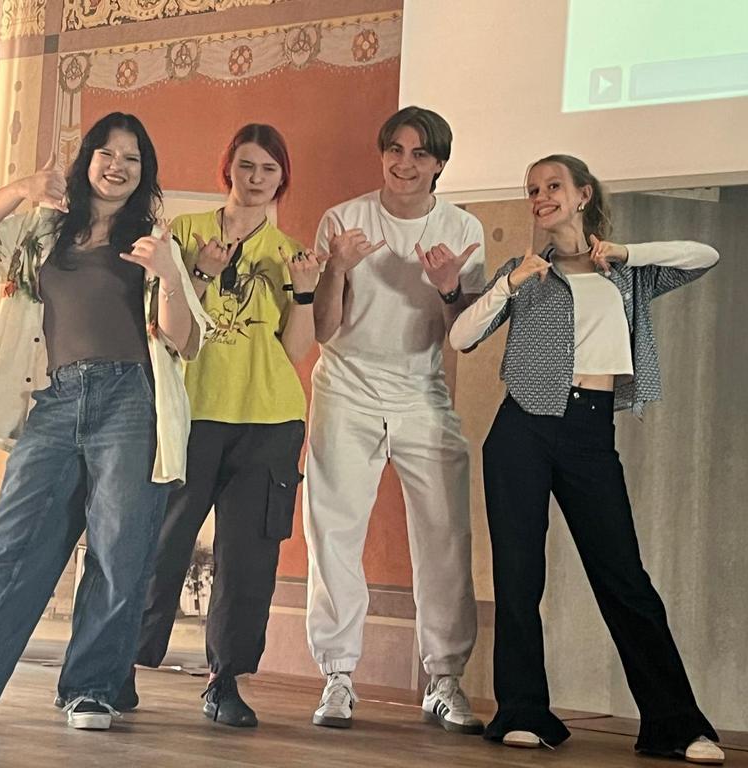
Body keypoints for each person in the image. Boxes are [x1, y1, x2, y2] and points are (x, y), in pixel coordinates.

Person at [0, 112, 210, 731]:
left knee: (119, 551)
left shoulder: (154, 241)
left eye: (132, 158)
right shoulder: (44, 231)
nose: (118, 166)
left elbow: (184, 340)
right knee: (11, 541)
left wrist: (170, 275)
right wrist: (20, 189)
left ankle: (90, 690)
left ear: (144, 173)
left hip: (130, 399)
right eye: (107, 153)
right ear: (87, 159)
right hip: (57, 396)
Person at [449, 154, 723, 764]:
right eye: (532, 190)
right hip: (522, 429)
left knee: (624, 580)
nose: (541, 197)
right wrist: (509, 284)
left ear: (583, 195)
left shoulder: (626, 272)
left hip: (590, 433)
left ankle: (675, 725)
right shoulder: (525, 272)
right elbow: (461, 336)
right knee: (519, 578)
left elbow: (704, 255)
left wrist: (625, 251)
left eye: (554, 186)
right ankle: (523, 711)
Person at [121, 123, 321, 727]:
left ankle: (224, 680)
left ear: (283, 178)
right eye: (246, 166)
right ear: (227, 168)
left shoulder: (290, 252)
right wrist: (201, 274)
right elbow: (167, 328)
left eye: (268, 169)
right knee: (160, 540)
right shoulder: (183, 234)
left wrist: (305, 294)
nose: (255, 179)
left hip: (271, 419)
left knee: (249, 557)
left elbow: (296, 350)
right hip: (191, 412)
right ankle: (120, 661)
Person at [303, 106, 485, 733]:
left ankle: (444, 679)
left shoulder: (462, 227)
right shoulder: (343, 219)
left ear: (439, 164)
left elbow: (464, 336)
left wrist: (449, 287)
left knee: (445, 534)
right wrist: (336, 266)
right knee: (333, 531)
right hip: (344, 388)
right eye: (395, 150)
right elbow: (323, 329)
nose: (404, 164)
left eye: (419, 154)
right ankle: (337, 675)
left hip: (421, 391)